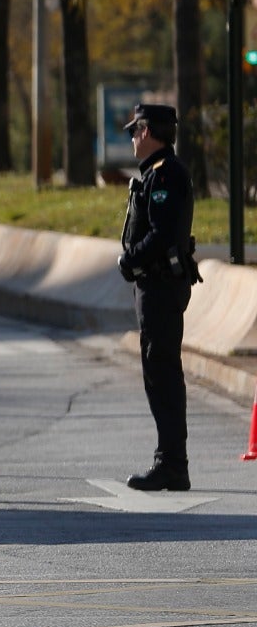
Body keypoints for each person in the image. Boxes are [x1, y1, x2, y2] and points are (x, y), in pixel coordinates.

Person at [116, 102, 201, 492]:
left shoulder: (167, 174)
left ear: (148, 132)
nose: (133, 138)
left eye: (135, 131)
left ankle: (171, 464)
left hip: (162, 287)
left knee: (162, 374)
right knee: (159, 373)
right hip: (154, 286)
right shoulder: (156, 172)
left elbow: (162, 235)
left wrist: (130, 258)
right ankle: (171, 462)